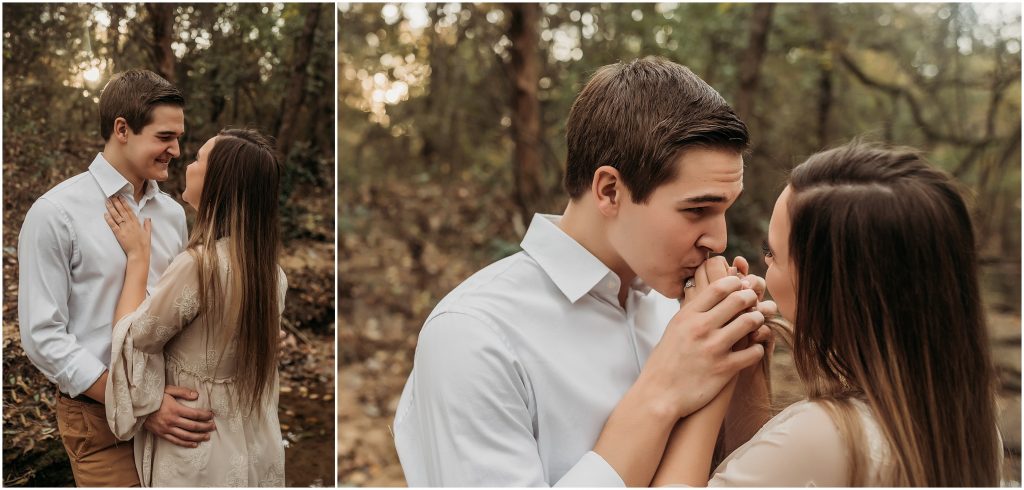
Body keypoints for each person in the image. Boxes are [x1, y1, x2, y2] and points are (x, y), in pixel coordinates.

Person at [393, 57, 774, 486]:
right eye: (697, 209)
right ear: (610, 190)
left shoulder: (684, 312)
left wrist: (741, 364)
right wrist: (662, 391)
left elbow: (737, 474)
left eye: (726, 208)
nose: (718, 240)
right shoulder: (473, 334)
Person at [651, 141, 1002, 486]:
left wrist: (711, 372)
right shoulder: (968, 421)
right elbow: (765, 467)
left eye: (771, 253)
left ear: (828, 287)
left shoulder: (825, 434)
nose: (763, 266)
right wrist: (744, 373)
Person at [17, 69, 214, 487]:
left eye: (179, 138)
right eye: (164, 137)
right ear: (122, 129)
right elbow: (43, 336)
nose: (176, 150)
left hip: (171, 407)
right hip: (97, 418)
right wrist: (138, 403)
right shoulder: (55, 213)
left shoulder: (173, 215)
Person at [100, 129, 288, 486]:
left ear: (220, 182)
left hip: (199, 450)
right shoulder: (272, 275)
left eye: (199, 159)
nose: (187, 164)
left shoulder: (199, 268)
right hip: (254, 446)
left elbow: (133, 341)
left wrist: (138, 258)